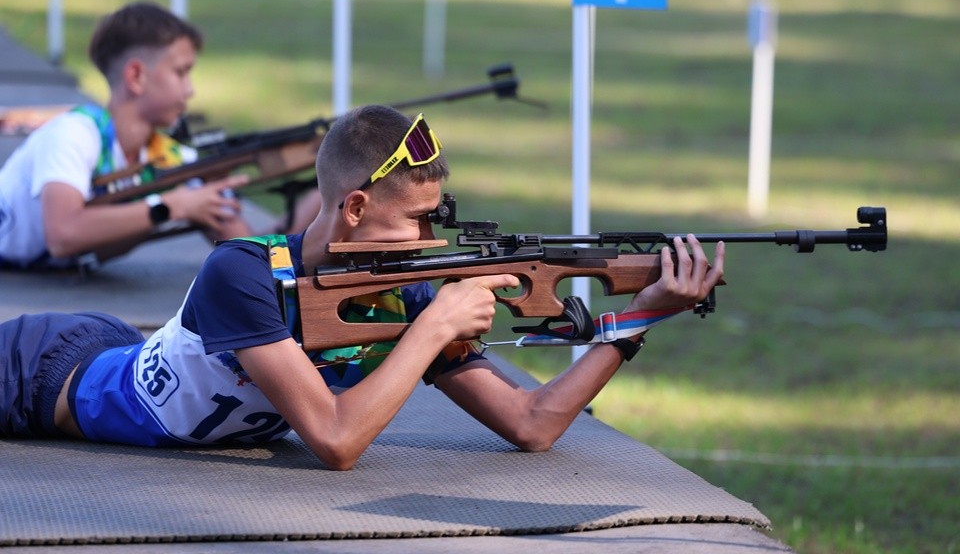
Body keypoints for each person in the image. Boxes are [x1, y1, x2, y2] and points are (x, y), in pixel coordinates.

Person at [0, 105, 725, 469]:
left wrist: (637, 319)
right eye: (415, 221)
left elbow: (531, 423)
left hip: (103, 346)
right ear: (353, 208)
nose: (428, 241)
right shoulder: (243, 270)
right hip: (43, 372)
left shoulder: (404, 294)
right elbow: (336, 439)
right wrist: (434, 330)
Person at [0, 1, 308, 270]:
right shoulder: (74, 133)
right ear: (136, 76)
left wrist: (322, 200)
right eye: (180, 72)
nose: (190, 90)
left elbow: (255, 260)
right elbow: (63, 234)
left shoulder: (170, 157)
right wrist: (175, 205)